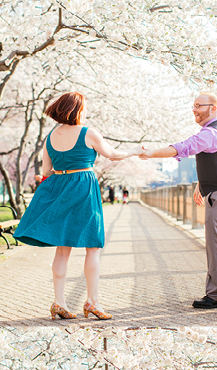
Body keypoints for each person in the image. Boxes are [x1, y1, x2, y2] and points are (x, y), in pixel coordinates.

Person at [13, 92, 130, 321]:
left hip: (61, 189)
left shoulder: (50, 137)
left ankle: (59, 302)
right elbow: (113, 154)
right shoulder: (88, 133)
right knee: (93, 246)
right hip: (84, 189)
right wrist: (136, 152)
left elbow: (46, 171)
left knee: (62, 249)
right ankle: (93, 302)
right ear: (77, 109)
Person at [139, 93, 217, 310]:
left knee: (216, 243)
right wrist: (200, 184)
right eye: (193, 105)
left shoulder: (210, 133)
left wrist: (152, 153)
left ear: (213, 108)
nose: (194, 109)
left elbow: (183, 147)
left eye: (199, 106)